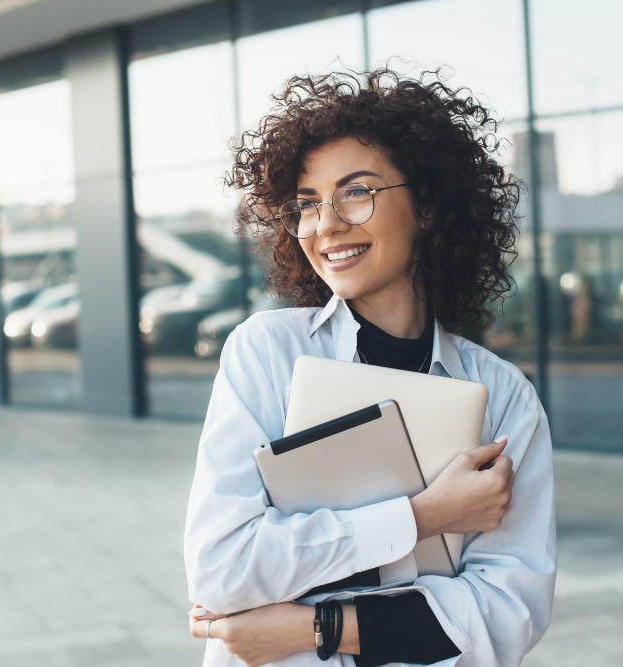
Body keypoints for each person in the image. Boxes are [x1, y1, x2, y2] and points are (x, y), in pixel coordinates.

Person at [184, 67, 556, 667]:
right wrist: (425, 516)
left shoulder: (502, 397)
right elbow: (223, 570)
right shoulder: (267, 353)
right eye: (307, 203)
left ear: (427, 205)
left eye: (356, 191)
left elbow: (507, 613)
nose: (325, 223)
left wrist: (316, 627)